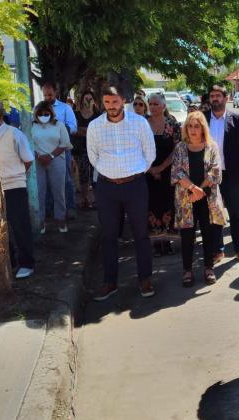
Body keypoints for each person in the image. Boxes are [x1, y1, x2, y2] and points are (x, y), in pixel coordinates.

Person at [87, 86, 156, 301]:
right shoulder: (95, 126)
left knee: (141, 234)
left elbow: (149, 153)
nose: (111, 107)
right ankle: (110, 282)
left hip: (135, 185)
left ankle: (145, 279)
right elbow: (93, 157)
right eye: (107, 102)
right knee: (108, 236)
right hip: (107, 187)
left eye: (115, 102)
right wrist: (112, 173)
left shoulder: (139, 122)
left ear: (123, 100)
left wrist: (133, 173)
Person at [171, 111, 226, 287]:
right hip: (186, 199)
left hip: (207, 198)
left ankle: (208, 268)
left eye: (197, 126)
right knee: (187, 235)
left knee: (209, 234)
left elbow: (215, 171)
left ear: (203, 128)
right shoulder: (180, 147)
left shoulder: (212, 146)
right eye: (190, 126)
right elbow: (177, 171)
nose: (193, 130)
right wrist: (193, 189)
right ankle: (187, 270)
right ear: (186, 128)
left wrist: (200, 190)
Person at [205, 84, 239, 263]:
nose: (215, 99)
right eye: (212, 96)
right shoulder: (203, 118)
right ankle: (218, 249)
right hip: (210, 176)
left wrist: (235, 160)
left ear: (226, 98)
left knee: (236, 213)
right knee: (215, 213)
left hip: (232, 174)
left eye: (218, 95)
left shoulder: (238, 118)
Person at [0, 109, 35, 279]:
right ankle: (9, 261)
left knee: (20, 226)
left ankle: (27, 263)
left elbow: (28, 160)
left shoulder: (13, 133)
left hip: (14, 186)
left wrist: (16, 176)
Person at [146, 93, 181, 256]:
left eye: (155, 104)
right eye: (150, 104)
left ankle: (166, 242)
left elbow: (177, 149)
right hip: (147, 172)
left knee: (167, 206)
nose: (152, 107)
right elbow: (138, 148)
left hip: (167, 172)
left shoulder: (172, 124)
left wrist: (160, 168)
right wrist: (151, 169)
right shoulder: (143, 123)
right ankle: (155, 243)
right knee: (152, 206)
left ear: (164, 106)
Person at [31, 101, 73, 233]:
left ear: (51, 113)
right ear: (36, 114)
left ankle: (60, 219)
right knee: (39, 192)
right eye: (40, 113)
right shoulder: (32, 126)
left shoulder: (59, 125)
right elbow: (28, 143)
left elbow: (65, 144)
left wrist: (50, 156)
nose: (43, 116)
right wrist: (39, 156)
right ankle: (41, 221)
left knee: (58, 191)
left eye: (46, 113)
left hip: (56, 160)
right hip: (37, 162)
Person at [42, 82, 78, 218]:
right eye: (45, 95)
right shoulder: (37, 109)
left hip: (62, 149)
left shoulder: (65, 108)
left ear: (55, 93)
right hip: (43, 149)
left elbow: (73, 127)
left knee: (66, 179)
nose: (47, 98)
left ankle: (70, 208)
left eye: (50, 95)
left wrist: (59, 130)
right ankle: (50, 209)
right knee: (46, 180)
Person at [71, 90, 100, 210]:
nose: (88, 101)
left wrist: (84, 130)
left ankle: (97, 200)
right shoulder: (76, 114)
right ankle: (84, 199)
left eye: (90, 99)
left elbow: (100, 131)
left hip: (95, 149)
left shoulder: (98, 115)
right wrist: (86, 130)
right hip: (80, 148)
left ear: (94, 101)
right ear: (82, 100)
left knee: (95, 176)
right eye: (86, 98)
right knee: (83, 174)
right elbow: (73, 130)